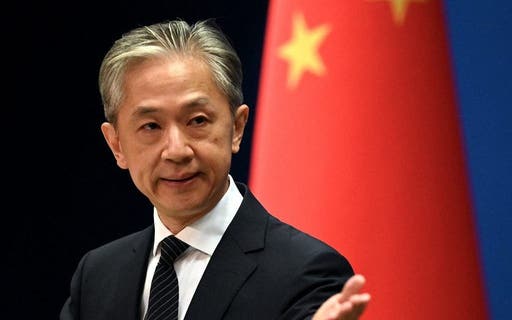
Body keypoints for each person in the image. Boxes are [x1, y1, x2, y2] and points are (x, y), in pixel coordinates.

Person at [60, 19, 370, 320]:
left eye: (197, 121)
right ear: (116, 145)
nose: (177, 150)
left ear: (237, 127)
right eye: (151, 126)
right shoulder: (97, 275)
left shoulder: (306, 272)